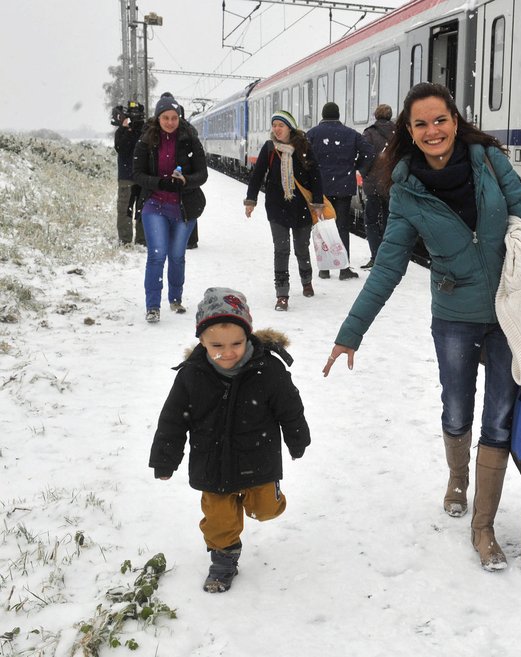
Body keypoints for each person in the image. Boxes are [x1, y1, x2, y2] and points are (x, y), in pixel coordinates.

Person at [321, 82, 521, 572]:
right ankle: (457, 479)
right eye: (421, 124)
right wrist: (351, 333)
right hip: (453, 315)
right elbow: (388, 266)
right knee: (456, 409)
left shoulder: (490, 163)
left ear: (455, 119)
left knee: (498, 419)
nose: (433, 131)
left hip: (508, 312)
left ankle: (483, 526)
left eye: (440, 120)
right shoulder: (407, 189)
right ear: (408, 132)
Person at [149, 287, 311, 593]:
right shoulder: (191, 375)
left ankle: (266, 497)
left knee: (265, 510)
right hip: (212, 464)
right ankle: (224, 559)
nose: (228, 352)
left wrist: (297, 438)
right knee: (218, 520)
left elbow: (290, 407)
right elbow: (172, 420)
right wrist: (164, 458)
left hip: (258, 458)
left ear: (248, 336)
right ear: (201, 341)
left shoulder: (268, 369)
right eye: (217, 345)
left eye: (236, 343)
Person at [133, 93, 208, 324]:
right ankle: (152, 306)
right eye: (165, 117)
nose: (170, 122)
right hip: (154, 204)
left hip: (183, 207)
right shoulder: (146, 140)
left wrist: (185, 180)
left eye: (174, 118)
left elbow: (202, 174)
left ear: (179, 118)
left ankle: (175, 299)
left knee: (177, 256)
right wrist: (159, 183)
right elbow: (136, 174)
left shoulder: (190, 140)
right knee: (157, 255)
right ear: (158, 118)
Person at [244, 110, 325, 312]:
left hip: (301, 208)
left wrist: (317, 202)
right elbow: (257, 175)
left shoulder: (304, 146)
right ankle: (282, 294)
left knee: (301, 247)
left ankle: (306, 280)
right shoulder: (270, 148)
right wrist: (251, 200)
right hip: (277, 206)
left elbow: (315, 175)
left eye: (281, 125)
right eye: (274, 125)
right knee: (281, 250)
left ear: (290, 127)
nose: (276, 129)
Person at [306, 101, 374, 280]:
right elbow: (369, 152)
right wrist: (356, 167)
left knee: (322, 225)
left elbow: (302, 155)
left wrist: (311, 172)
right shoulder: (351, 134)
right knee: (342, 226)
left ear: (323, 115)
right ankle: (344, 268)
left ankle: (324, 269)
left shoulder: (313, 134)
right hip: (343, 186)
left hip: (320, 187)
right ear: (338, 115)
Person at [360, 104, 395, 269]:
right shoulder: (398, 133)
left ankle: (376, 256)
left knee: (371, 221)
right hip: (392, 184)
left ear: (376, 115)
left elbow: (365, 157)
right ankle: (388, 257)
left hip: (373, 185)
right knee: (390, 221)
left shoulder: (369, 133)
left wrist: (366, 173)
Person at [112, 100, 146, 246]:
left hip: (142, 177)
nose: (135, 116)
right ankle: (125, 240)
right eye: (132, 113)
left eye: (137, 113)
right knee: (125, 209)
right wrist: (126, 129)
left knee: (143, 210)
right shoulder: (122, 130)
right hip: (126, 176)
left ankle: (142, 240)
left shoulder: (145, 130)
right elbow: (121, 148)